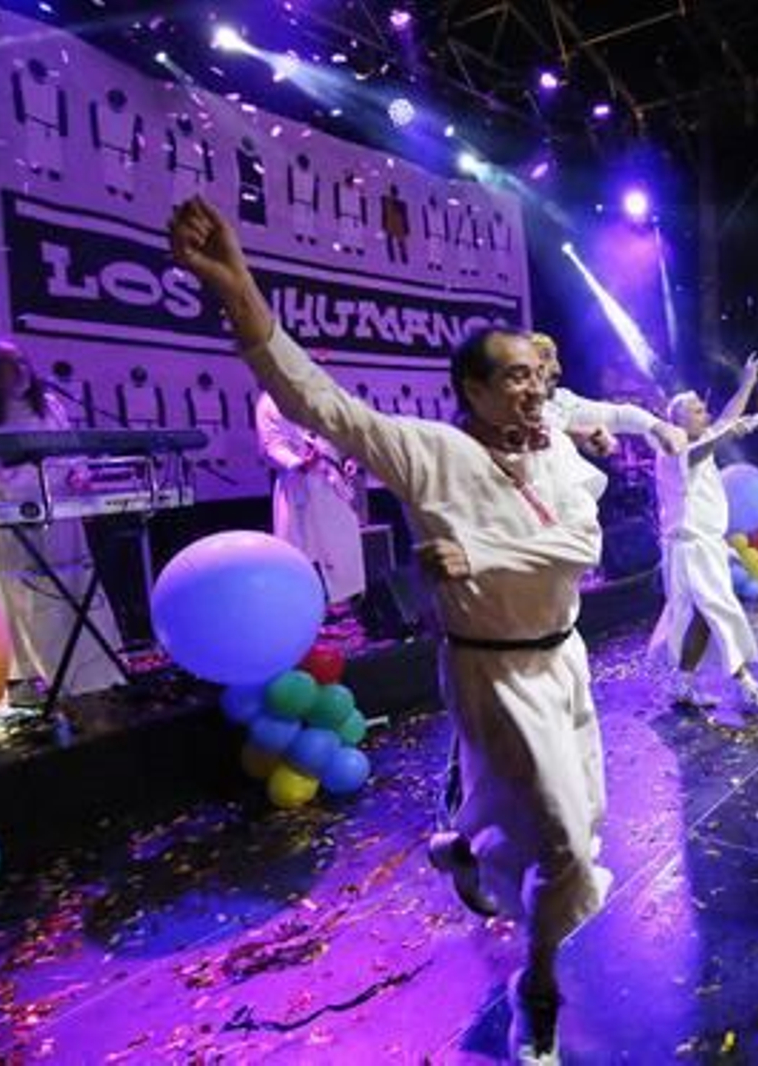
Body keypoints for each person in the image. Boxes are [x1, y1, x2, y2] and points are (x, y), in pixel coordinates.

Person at [170, 197, 601, 1064]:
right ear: (471, 390)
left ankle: (466, 856)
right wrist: (239, 286)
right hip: (490, 672)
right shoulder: (426, 452)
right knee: (564, 844)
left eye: (538, 374)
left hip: (568, 663)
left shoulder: (560, 455)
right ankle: (539, 986)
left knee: (574, 826)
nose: (533, 387)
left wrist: (474, 549)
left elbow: (582, 546)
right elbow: (317, 401)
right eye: (512, 375)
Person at [0, 339, 126, 705]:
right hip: (13, 528)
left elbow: (72, 455)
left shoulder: (48, 405)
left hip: (62, 519)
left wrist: (79, 475)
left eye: (23, 361)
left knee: (77, 591)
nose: (21, 370)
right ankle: (36, 684)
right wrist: (40, 476)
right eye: (9, 364)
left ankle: (91, 680)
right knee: (28, 601)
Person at [649, 356, 758, 710]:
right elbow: (709, 443)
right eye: (695, 410)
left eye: (701, 409)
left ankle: (683, 681)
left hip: (705, 545)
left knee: (703, 619)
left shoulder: (700, 443)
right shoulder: (671, 450)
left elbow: (724, 420)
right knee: (721, 610)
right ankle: (747, 684)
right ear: (675, 420)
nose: (703, 414)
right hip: (689, 549)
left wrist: (748, 382)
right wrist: (730, 431)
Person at [255, 391, 366, 608]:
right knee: (301, 554)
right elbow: (271, 445)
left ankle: (347, 617)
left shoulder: (321, 391)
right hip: (298, 485)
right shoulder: (269, 401)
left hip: (333, 485)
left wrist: (349, 458)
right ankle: (309, 618)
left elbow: (346, 434)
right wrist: (299, 463)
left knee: (343, 552)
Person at [532, 331, 688, 459]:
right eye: (545, 358)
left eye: (555, 358)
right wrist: (572, 434)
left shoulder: (562, 399)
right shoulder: (514, 409)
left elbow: (618, 415)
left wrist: (660, 427)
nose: (557, 369)